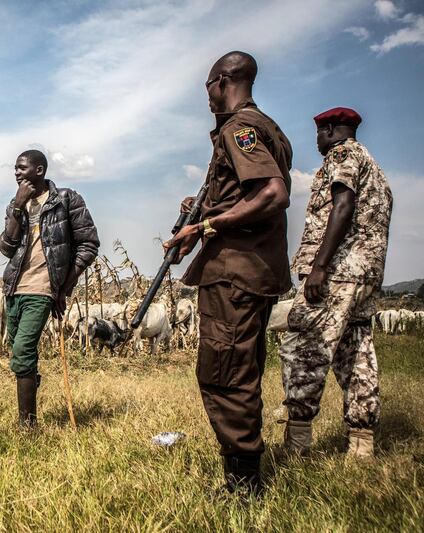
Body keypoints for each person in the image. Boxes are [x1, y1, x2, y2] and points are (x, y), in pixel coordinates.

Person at [164, 51, 292, 494]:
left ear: (222, 81)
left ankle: (244, 486)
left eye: (207, 86)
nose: (206, 95)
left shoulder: (240, 129)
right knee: (241, 370)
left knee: (223, 374)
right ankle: (247, 471)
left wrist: (207, 224)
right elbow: (248, 194)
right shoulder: (267, 128)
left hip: (234, 274)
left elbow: (272, 193)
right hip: (253, 271)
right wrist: (200, 220)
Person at [279, 107, 392, 459]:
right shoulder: (375, 167)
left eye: (318, 133)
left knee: (304, 347)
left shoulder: (342, 154)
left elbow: (342, 206)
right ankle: (361, 444)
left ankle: (297, 444)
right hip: (364, 276)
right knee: (356, 352)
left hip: (338, 272)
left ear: (329, 130)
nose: (316, 141)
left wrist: (319, 267)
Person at [0, 149, 99, 429]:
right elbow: (7, 248)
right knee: (19, 354)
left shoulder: (66, 200)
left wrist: (64, 287)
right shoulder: (15, 204)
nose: (16, 172)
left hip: (43, 289)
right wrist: (17, 208)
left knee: (22, 349)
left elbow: (89, 244)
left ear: (39, 170)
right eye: (15, 168)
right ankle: (29, 411)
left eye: (22, 168)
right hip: (14, 288)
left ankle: (27, 426)